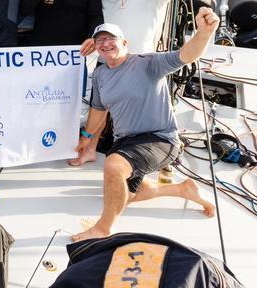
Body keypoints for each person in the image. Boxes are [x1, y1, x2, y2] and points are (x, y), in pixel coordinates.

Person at [70, 14, 218, 242]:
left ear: (124, 42)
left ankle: (102, 228)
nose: (106, 43)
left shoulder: (147, 63)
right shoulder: (100, 74)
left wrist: (204, 33)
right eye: (100, 40)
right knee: (121, 197)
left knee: (113, 167)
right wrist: (87, 138)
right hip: (126, 142)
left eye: (111, 38)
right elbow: (98, 110)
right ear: (95, 47)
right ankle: (183, 189)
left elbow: (185, 56)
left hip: (160, 139)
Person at [72, 0, 190, 167]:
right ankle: (90, 150)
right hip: (107, 64)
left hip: (140, 66)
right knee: (100, 107)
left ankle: (147, 154)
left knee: (139, 115)